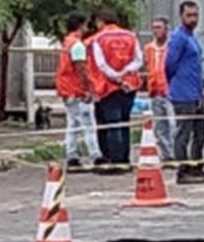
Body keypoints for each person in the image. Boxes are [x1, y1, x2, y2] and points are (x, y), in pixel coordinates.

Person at [166, 0, 204, 184]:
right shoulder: (178, 37)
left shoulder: (192, 37)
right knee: (183, 133)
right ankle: (183, 170)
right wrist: (176, 83)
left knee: (201, 132)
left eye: (195, 15)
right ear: (181, 16)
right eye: (189, 15)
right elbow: (169, 64)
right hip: (183, 94)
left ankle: (197, 166)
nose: (193, 19)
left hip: (196, 93)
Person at [89, 9, 143, 170]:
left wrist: (115, 76)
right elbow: (138, 60)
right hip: (129, 85)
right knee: (124, 122)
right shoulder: (131, 36)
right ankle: (125, 159)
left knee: (111, 124)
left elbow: (101, 64)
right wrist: (124, 74)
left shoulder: (98, 39)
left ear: (100, 21)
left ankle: (114, 160)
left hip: (108, 86)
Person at [55, 13, 104, 169]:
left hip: (67, 89)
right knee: (88, 124)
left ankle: (72, 156)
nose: (87, 28)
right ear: (80, 26)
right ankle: (95, 155)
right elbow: (81, 69)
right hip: (77, 91)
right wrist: (89, 89)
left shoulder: (67, 42)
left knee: (73, 125)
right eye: (85, 25)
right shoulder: (77, 45)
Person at [143, 17, 176, 160]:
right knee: (160, 126)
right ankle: (167, 155)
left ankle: (177, 153)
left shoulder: (173, 46)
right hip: (155, 91)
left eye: (159, 27)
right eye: (154, 28)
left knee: (174, 124)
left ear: (167, 29)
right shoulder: (149, 48)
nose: (156, 31)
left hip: (170, 91)